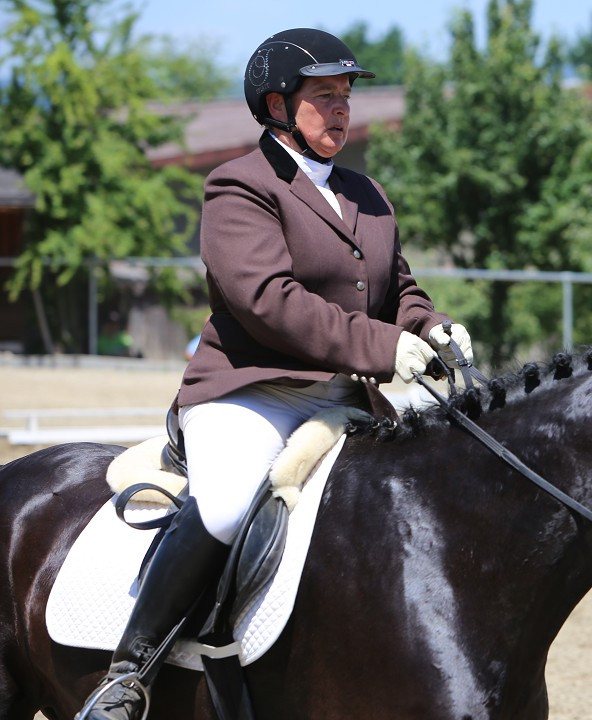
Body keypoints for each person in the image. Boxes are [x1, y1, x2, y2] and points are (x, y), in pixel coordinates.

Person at [78, 28, 472, 720]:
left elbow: (396, 287)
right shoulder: (238, 186)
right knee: (228, 504)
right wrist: (383, 347)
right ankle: (127, 672)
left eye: (347, 97)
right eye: (325, 97)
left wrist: (428, 327)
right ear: (276, 104)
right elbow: (269, 302)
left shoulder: (367, 193)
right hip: (251, 391)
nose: (344, 111)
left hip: (345, 398)